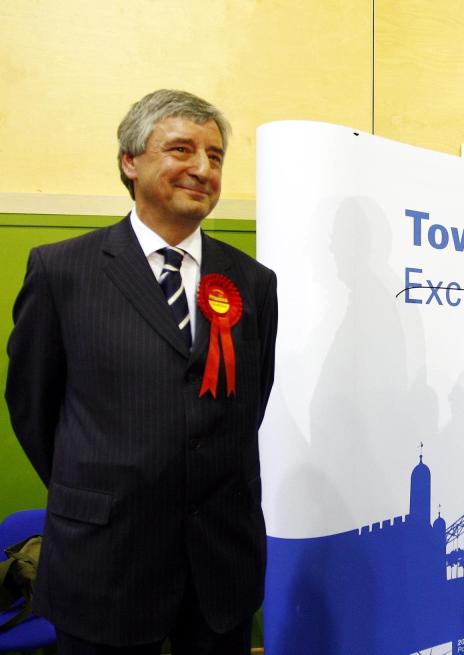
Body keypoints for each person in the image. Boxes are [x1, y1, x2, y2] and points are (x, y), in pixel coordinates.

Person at [5, 89, 278, 654]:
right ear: (130, 161)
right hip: (105, 557)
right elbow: (32, 404)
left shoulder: (252, 283)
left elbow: (252, 402)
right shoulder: (63, 271)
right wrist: (98, 487)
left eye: (216, 155)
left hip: (220, 562)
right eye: (181, 149)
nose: (203, 169)